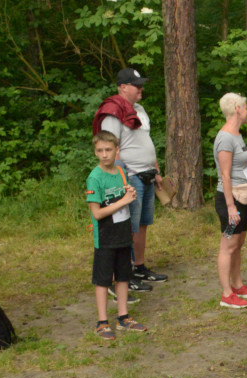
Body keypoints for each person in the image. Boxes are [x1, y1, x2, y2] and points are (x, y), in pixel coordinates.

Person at [92, 67, 168, 293]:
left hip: (146, 175)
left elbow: (144, 141)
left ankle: (139, 266)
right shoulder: (113, 112)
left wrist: (156, 170)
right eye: (137, 85)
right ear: (123, 87)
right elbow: (109, 148)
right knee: (127, 227)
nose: (141, 89)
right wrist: (118, 181)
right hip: (129, 177)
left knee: (142, 224)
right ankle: (122, 274)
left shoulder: (137, 110)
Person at [86, 131, 147, 340]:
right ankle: (102, 323)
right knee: (104, 279)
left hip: (122, 233)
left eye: (108, 150)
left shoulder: (120, 172)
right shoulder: (95, 178)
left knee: (123, 276)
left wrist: (129, 193)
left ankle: (123, 317)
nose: (104, 155)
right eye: (100, 151)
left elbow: (125, 197)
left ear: (116, 150)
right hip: (104, 237)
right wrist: (122, 202)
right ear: (95, 152)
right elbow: (97, 213)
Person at [213, 93, 247, 309]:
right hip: (229, 199)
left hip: (243, 196)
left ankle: (238, 285)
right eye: (245, 107)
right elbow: (225, 175)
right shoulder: (225, 138)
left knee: (239, 243)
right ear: (236, 109)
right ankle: (226, 294)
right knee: (228, 245)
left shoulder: (237, 135)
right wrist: (231, 206)